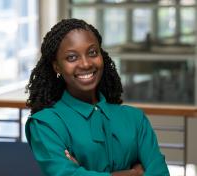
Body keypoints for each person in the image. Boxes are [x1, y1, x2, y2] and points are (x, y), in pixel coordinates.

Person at [25, 18, 169, 176]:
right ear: (57, 66)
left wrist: (84, 172)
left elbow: (160, 172)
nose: (86, 64)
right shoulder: (45, 124)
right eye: (72, 57)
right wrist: (133, 173)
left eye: (92, 53)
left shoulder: (135, 119)